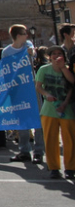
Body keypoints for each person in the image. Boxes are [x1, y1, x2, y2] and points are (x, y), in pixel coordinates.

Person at [3, 24, 45, 164]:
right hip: (17, 89)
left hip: (31, 87)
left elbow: (33, 52)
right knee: (22, 120)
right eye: (24, 33)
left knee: (38, 119)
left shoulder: (27, 45)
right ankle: (24, 150)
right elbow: (6, 70)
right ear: (18, 36)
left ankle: (38, 151)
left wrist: (31, 53)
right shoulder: (7, 52)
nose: (27, 35)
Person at [34, 45, 75, 179]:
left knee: (69, 140)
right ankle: (54, 167)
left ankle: (70, 168)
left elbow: (72, 84)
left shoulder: (67, 69)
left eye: (59, 53)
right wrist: (47, 94)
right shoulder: (44, 69)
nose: (56, 56)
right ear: (49, 57)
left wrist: (63, 68)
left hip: (66, 109)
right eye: (54, 54)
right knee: (51, 139)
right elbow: (38, 87)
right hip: (49, 109)